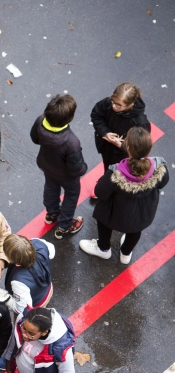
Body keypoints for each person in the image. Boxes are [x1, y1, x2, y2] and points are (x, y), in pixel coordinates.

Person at [79, 127, 169, 264]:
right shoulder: (159, 166)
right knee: (135, 230)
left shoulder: (115, 173)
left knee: (103, 221)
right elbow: (163, 182)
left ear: (127, 147)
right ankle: (125, 254)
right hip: (142, 214)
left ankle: (103, 249)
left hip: (115, 214)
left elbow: (100, 192)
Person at [0, 234, 55, 371]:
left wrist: (5, 298)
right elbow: (52, 250)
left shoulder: (19, 281)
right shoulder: (38, 244)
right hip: (46, 290)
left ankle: (9, 358)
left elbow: (23, 308)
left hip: (33, 304)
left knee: (20, 332)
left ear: (14, 260)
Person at [31, 94, 87, 240]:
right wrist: (83, 168)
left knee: (51, 187)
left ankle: (52, 213)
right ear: (70, 118)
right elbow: (75, 169)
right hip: (66, 175)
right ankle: (64, 226)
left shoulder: (40, 120)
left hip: (47, 165)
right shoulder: (72, 142)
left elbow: (34, 139)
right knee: (71, 194)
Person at [90, 82, 151, 197]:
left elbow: (140, 148)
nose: (113, 106)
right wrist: (105, 132)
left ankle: (110, 192)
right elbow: (96, 115)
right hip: (106, 148)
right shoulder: (108, 103)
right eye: (113, 102)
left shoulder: (140, 123)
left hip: (125, 157)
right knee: (108, 168)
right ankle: (105, 185)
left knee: (121, 175)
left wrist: (121, 146)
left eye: (119, 105)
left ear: (130, 104)